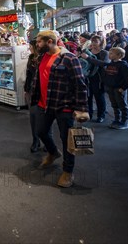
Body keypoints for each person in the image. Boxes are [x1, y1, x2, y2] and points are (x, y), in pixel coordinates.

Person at [29, 30, 89, 188]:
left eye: (39, 42)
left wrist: (82, 108)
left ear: (49, 41)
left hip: (64, 105)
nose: (37, 45)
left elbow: (80, 84)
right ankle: (53, 152)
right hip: (44, 104)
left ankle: (68, 171)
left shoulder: (69, 58)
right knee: (41, 131)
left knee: (66, 139)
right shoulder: (42, 56)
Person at [80, 35, 110, 123]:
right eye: (92, 41)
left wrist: (88, 58)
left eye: (96, 42)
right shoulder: (88, 51)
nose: (93, 44)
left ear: (101, 42)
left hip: (99, 78)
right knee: (88, 97)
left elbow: (104, 64)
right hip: (88, 78)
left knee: (99, 98)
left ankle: (101, 115)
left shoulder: (104, 53)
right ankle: (89, 113)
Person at [104, 47, 128, 129]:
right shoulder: (110, 64)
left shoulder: (124, 65)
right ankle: (117, 119)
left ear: (119, 55)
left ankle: (124, 121)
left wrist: (123, 88)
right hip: (111, 88)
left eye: (111, 53)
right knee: (114, 105)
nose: (109, 55)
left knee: (122, 105)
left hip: (119, 89)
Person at [24, 39, 42, 152]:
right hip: (32, 90)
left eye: (30, 46)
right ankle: (36, 141)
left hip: (43, 91)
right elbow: (28, 74)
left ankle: (47, 141)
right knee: (33, 117)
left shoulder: (44, 57)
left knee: (46, 118)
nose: (29, 48)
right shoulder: (31, 58)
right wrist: (26, 89)